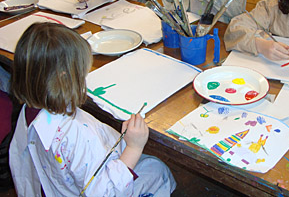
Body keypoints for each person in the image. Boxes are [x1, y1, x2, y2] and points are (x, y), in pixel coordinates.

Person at [9, 23, 176, 196]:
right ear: (65, 78)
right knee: (157, 170)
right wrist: (134, 147)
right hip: (100, 186)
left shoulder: (29, 109)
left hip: (60, 186)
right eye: (81, 72)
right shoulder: (75, 134)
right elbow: (106, 193)